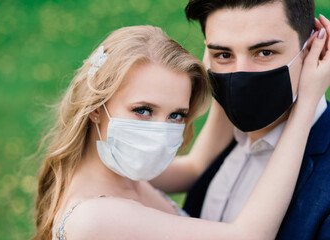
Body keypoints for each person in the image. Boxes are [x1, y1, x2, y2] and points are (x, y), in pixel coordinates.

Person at [32, 25, 330, 240]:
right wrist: (307, 102)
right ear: (96, 107)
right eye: (143, 110)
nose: (159, 130)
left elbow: (196, 166)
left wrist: (224, 61)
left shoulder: (118, 169)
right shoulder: (95, 218)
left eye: (176, 115)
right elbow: (248, 236)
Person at [152, 1, 330, 239]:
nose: (241, 73)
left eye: (265, 52)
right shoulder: (222, 141)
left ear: (311, 48)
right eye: (224, 54)